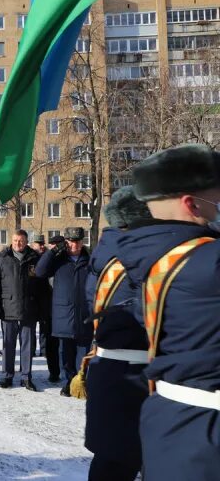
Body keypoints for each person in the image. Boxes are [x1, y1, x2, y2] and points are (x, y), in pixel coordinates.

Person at [113, 144, 220, 480]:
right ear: (192, 204)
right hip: (207, 436)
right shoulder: (206, 263)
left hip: (174, 421)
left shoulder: (162, 256)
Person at [83, 186, 152, 481]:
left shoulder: (107, 255)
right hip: (132, 371)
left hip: (108, 366)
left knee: (111, 459)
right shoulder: (135, 260)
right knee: (121, 462)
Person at [36, 227, 91, 397]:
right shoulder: (59, 260)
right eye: (71, 241)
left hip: (85, 313)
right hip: (64, 313)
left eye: (78, 241)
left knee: (83, 353)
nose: (75, 245)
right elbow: (40, 271)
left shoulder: (89, 259)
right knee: (66, 354)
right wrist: (52, 252)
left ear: (82, 242)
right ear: (66, 242)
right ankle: (69, 382)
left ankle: (81, 382)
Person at [0, 230, 41, 391]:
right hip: (8, 309)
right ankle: (7, 375)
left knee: (27, 345)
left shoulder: (35, 259)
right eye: (15, 240)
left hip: (28, 309)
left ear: (26, 242)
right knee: (8, 344)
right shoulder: (1, 259)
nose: (18, 243)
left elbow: (42, 287)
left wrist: (40, 308)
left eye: (21, 240)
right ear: (11, 241)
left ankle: (26, 377)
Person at [34, 236, 59, 383]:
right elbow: (39, 272)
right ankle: (54, 372)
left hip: (65, 307)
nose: (56, 248)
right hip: (48, 306)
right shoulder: (45, 259)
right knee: (50, 342)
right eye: (54, 245)